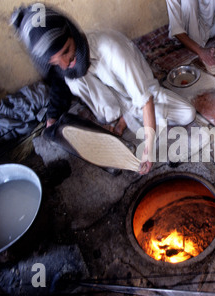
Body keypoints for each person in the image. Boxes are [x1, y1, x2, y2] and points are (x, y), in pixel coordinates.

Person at [11, 5, 196, 175]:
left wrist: (148, 149)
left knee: (187, 114)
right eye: (55, 61)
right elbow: (59, 85)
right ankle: (123, 117)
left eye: (66, 51)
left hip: (143, 94)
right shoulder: (63, 63)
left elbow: (145, 100)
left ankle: (127, 118)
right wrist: (51, 118)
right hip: (120, 104)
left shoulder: (111, 49)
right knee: (71, 81)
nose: (64, 63)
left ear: (72, 35)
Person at [166, 0, 215, 68]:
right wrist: (201, 52)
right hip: (191, 30)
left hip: (211, 25)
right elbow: (176, 28)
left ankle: (209, 43)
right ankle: (197, 46)